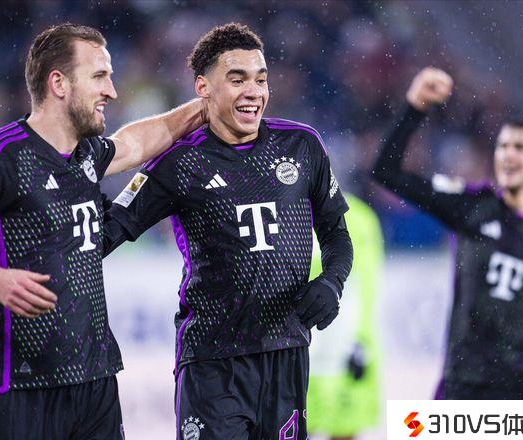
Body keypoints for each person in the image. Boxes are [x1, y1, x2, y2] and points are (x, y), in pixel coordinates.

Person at [0, 23, 207, 439]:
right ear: (59, 84)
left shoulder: (87, 154)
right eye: (99, 76)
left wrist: (206, 105)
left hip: (96, 384)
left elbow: (138, 142)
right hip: (19, 387)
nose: (112, 91)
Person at [103, 23, 353, 439]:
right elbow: (106, 234)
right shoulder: (179, 163)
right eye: (237, 80)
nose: (253, 91)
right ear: (203, 88)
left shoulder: (302, 145)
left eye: (261, 79)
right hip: (212, 360)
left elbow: (336, 234)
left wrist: (332, 281)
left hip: (286, 352)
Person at [372, 67, 523, 399]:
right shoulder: (474, 207)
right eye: (503, 146)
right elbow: (387, 172)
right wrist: (415, 107)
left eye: (521, 147)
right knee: (415, 425)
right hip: (462, 391)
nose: (507, 155)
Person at [307, 193, 383, 440]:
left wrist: (359, 343)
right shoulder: (278, 209)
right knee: (290, 428)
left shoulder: (359, 218)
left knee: (343, 430)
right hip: (297, 350)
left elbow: (364, 287)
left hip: (342, 351)